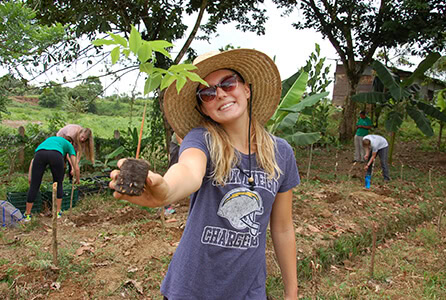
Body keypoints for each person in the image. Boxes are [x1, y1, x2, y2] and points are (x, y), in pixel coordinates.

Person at [110, 49, 299, 299]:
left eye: (228, 83)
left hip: (248, 291)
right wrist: (165, 190)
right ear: (204, 109)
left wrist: (292, 292)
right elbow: (188, 171)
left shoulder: (281, 153)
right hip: (191, 289)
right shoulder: (202, 140)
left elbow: (283, 229)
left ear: (247, 89)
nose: (220, 93)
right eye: (207, 93)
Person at [25, 136, 80, 221]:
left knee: (34, 185)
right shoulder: (69, 145)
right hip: (56, 155)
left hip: (40, 155)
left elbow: (33, 161)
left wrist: (30, 177)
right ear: (71, 143)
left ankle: (27, 215)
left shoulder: (49, 140)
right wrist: (77, 179)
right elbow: (76, 167)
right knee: (58, 183)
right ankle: (57, 212)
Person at [164, 133, 183, 215]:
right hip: (179, 145)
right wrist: (184, 146)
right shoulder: (181, 122)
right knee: (173, 173)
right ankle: (165, 206)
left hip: (191, 146)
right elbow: (178, 131)